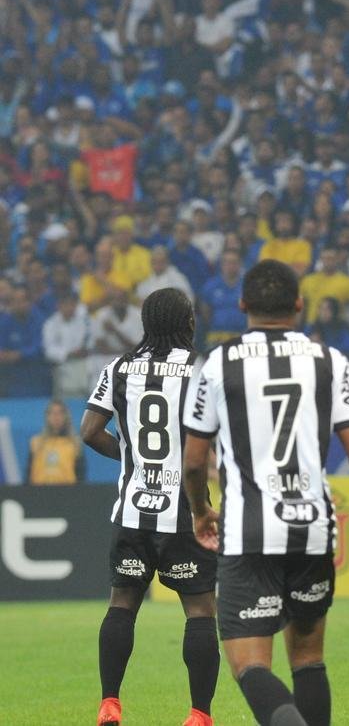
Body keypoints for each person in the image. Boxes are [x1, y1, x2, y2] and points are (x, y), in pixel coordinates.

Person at [181, 260, 349, 726]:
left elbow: (191, 461)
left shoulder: (218, 363)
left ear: (242, 305)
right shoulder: (329, 361)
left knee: (249, 665)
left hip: (249, 532)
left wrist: (201, 511)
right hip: (312, 528)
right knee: (307, 656)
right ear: (299, 305)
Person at [78, 288, 217, 726]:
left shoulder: (118, 368)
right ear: (187, 323)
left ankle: (109, 703)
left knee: (121, 604)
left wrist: (130, 455)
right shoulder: (199, 370)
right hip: (184, 513)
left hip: (132, 512)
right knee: (199, 611)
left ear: (147, 325)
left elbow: (88, 431)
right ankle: (198, 714)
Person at [26, 399, 84, 484]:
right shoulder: (36, 442)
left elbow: (80, 475)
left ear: (66, 416)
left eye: (60, 413)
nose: (56, 417)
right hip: (39, 492)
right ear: (47, 416)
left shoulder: (75, 443)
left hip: (67, 492)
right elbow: (28, 473)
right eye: (52, 413)